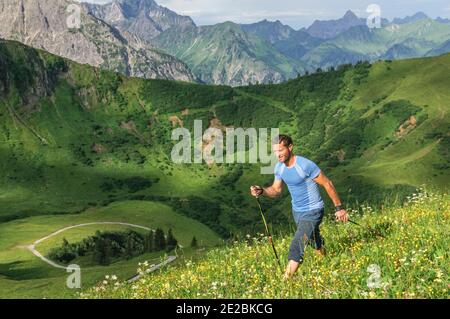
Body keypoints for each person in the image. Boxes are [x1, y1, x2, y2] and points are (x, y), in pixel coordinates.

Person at [250, 134, 349, 280]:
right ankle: (326, 263)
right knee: (313, 239)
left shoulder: (305, 165)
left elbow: (327, 183)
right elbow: (276, 191)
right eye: (275, 151)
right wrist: (262, 191)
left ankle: (285, 281)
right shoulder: (279, 168)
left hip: (313, 210)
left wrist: (339, 208)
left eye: (280, 150)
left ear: (290, 147)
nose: (277, 155)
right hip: (297, 211)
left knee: (298, 242)